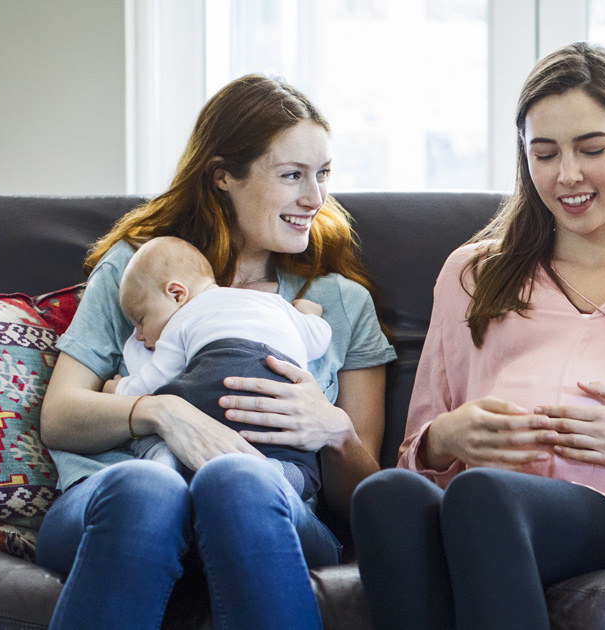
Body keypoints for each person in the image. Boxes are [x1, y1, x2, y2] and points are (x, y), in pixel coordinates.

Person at [350, 42, 605, 630]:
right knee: (382, 498)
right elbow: (415, 463)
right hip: (478, 506)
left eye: (591, 149)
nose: (567, 175)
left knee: (482, 497)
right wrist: (444, 439)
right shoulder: (472, 275)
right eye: (544, 153)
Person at [36, 74, 396, 630]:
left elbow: (361, 506)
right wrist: (161, 411)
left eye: (323, 174)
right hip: (116, 502)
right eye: (292, 176)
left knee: (238, 479)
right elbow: (60, 416)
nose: (316, 198)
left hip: (271, 510)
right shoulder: (142, 271)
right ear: (223, 175)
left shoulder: (339, 303)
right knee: (146, 485)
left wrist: (334, 430)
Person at [107, 235, 332, 501]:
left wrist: (118, 388)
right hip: (278, 407)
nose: (140, 335)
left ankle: (163, 460)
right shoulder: (274, 303)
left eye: (140, 320)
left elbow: (155, 380)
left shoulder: (181, 320)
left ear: (177, 294)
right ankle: (274, 473)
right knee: (302, 468)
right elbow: (318, 341)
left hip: (215, 394)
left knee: (152, 426)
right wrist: (309, 314)